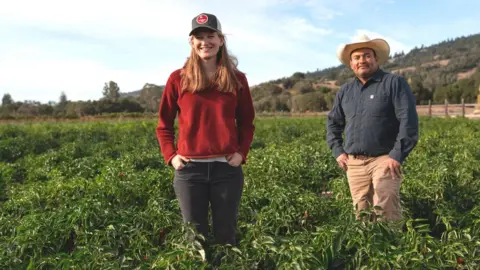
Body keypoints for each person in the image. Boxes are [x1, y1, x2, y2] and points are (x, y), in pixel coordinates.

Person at [155, 13, 255, 248]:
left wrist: (241, 153)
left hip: (226, 170)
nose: (205, 41)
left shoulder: (236, 79)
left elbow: (247, 123)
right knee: (195, 236)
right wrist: (171, 156)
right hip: (190, 172)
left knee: (226, 235)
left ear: (221, 40)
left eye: (210, 35)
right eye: (199, 37)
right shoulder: (178, 79)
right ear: (192, 42)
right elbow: (163, 125)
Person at [326, 34, 419, 222]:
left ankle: (392, 248)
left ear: (376, 59)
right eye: (357, 57)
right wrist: (338, 151)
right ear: (351, 63)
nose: (362, 60)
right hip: (354, 163)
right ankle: (369, 250)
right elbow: (333, 123)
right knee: (362, 213)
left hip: (384, 159)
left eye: (367, 56)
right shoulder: (345, 91)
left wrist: (397, 155)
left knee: (385, 209)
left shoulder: (393, 83)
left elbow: (408, 122)